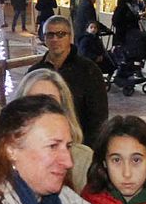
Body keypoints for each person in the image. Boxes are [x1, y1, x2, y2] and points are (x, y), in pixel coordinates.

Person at [29, 15, 109, 145]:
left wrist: (87, 151)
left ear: (70, 37)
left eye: (61, 34)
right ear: (44, 38)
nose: (55, 39)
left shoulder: (88, 70)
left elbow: (99, 117)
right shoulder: (36, 72)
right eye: (50, 35)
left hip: (80, 145)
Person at [13, 68, 91, 191]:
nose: (43, 109)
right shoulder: (3, 157)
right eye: (34, 101)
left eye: (51, 102)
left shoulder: (82, 158)